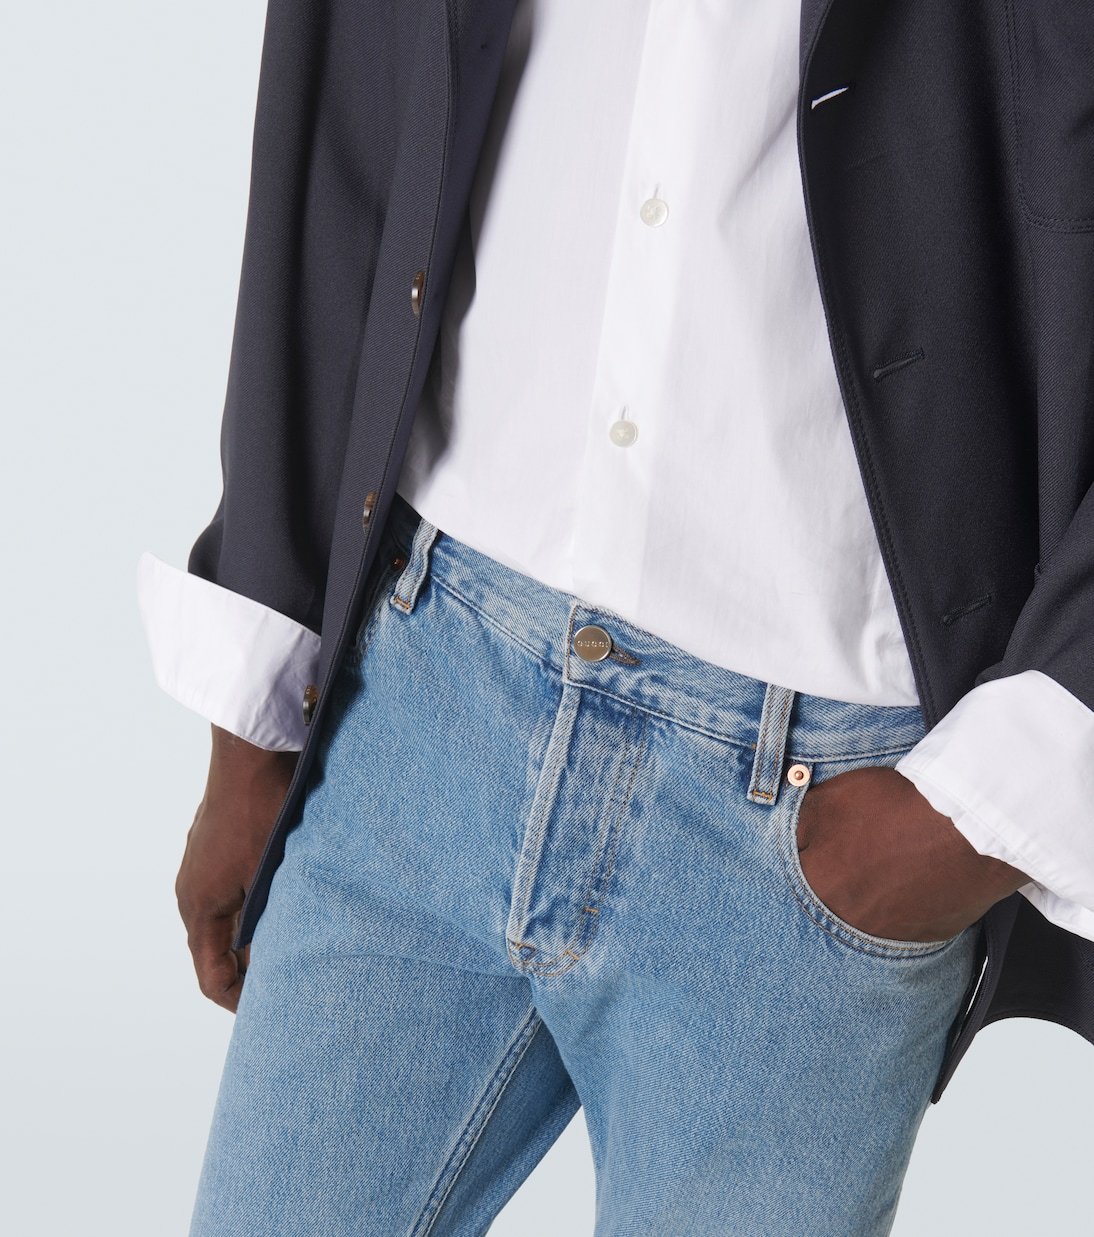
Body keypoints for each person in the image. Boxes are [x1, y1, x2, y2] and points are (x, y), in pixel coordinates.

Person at [137, 2, 1094, 1233]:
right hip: (418, 693)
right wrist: (254, 704)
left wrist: (981, 808)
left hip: (817, 802)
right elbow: (343, 100)